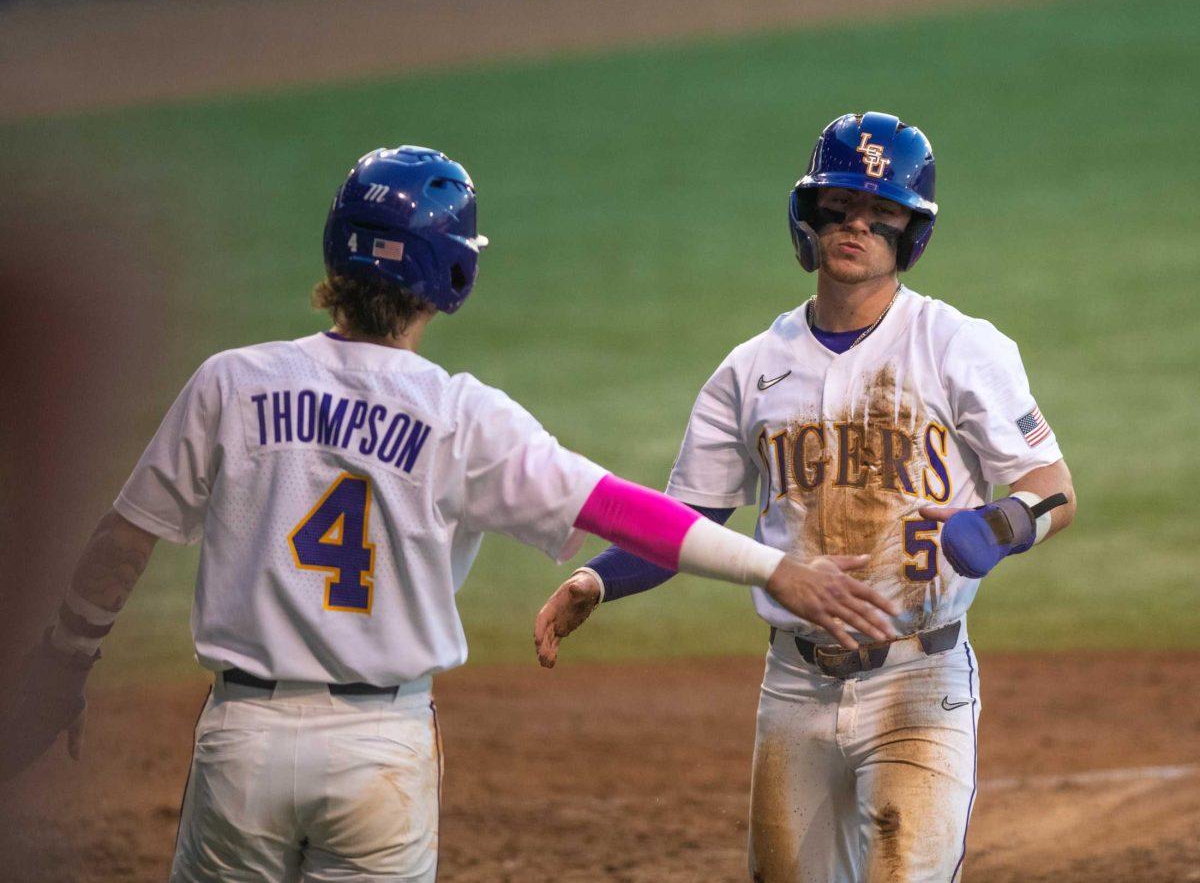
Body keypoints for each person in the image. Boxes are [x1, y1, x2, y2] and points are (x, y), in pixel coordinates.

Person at [0, 145, 900, 882]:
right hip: (377, 755)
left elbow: (124, 539)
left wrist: (66, 655)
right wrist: (774, 567)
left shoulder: (231, 383)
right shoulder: (465, 415)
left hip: (243, 741)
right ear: (454, 272)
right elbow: (630, 514)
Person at [534, 113, 1077, 882]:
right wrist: (597, 578)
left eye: (879, 212)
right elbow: (689, 522)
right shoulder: (750, 369)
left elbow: (1054, 489)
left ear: (910, 232)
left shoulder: (959, 346)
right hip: (794, 685)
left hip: (918, 681)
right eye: (838, 205)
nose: (855, 223)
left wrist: (1005, 522)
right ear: (808, 216)